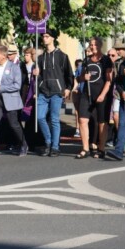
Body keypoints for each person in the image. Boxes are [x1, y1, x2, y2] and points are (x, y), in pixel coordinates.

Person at [32, 29, 74, 157]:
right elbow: (37, 77)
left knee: (55, 119)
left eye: (47, 36)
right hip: (43, 92)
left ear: (53, 38)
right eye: (43, 36)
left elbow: (69, 74)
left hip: (57, 92)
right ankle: (49, 142)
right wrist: (35, 76)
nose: (44, 38)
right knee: (39, 117)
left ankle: (55, 147)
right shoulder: (40, 58)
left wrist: (68, 88)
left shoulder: (62, 56)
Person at [0, 44, 28, 159]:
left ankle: (23, 144)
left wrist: (0, 87)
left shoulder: (14, 68)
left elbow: (17, 86)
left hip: (10, 100)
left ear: (4, 56)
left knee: (14, 124)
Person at [75, 37, 113, 159]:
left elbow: (109, 80)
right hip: (87, 94)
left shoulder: (106, 60)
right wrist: (83, 78)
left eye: (95, 44)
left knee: (102, 122)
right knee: (82, 120)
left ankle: (101, 148)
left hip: (101, 95)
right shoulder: (86, 61)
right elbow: (79, 78)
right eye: (91, 44)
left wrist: (102, 95)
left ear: (100, 45)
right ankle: (85, 148)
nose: (93, 46)